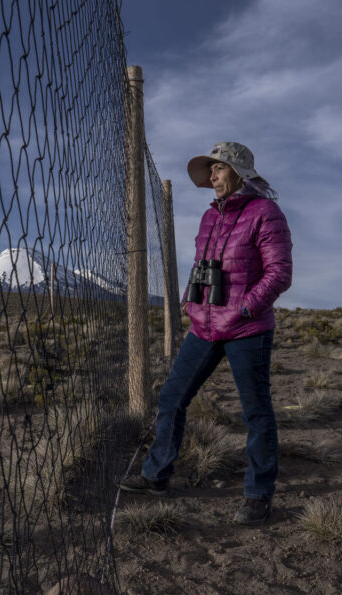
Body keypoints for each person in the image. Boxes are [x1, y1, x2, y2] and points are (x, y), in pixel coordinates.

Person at [118, 141, 293, 525]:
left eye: (220, 168)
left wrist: (244, 308)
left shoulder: (265, 212)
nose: (212, 176)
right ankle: (156, 475)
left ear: (240, 173)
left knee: (256, 411)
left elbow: (279, 274)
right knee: (172, 396)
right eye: (210, 170)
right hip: (204, 326)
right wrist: (187, 300)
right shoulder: (209, 217)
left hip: (247, 328)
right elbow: (202, 264)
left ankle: (259, 494)